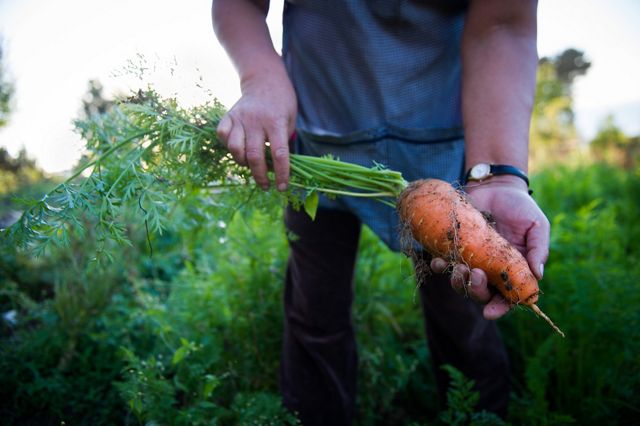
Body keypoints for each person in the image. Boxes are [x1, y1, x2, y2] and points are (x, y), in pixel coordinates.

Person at [211, 0, 550, 424]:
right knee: (316, 309)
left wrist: (496, 176)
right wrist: (260, 77)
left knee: (464, 311)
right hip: (318, 152)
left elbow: (502, 24)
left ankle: (478, 416)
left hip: (442, 156)